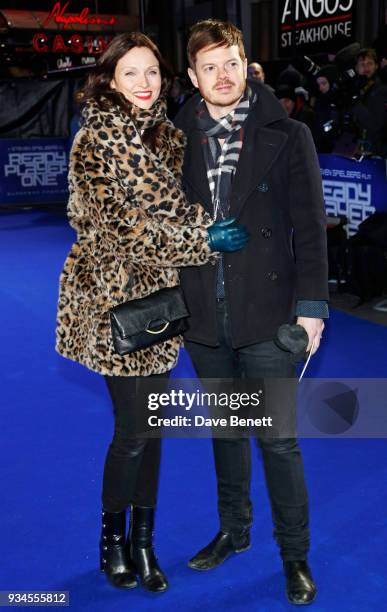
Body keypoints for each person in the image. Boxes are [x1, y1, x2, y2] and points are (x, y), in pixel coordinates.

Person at [55, 32, 248, 594]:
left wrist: (206, 228)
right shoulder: (94, 142)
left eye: (153, 73)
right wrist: (203, 239)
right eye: (131, 73)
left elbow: (187, 207)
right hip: (113, 302)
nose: (144, 84)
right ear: (109, 81)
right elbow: (122, 231)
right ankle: (112, 540)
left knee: (153, 428)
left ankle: (144, 541)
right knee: (133, 432)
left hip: (164, 303)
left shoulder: (170, 137)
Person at [175, 19, 328, 605]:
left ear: (247, 65)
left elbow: (311, 232)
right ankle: (234, 532)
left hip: (270, 316)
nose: (222, 75)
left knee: (279, 442)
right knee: (227, 434)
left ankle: (295, 555)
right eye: (209, 66)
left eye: (231, 63)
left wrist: (311, 310)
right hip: (204, 318)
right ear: (193, 76)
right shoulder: (172, 140)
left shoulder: (288, 135)